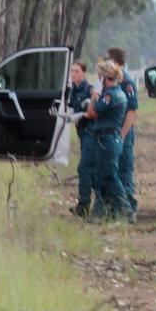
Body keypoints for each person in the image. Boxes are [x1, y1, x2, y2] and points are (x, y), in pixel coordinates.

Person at [83, 59, 130, 220]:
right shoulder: (118, 93)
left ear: (104, 77)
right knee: (103, 176)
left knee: (109, 176)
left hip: (106, 139)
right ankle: (107, 212)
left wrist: (94, 97)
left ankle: (126, 210)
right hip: (109, 139)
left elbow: (92, 113)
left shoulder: (109, 96)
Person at [105, 47, 139, 219]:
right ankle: (115, 209)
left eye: (108, 60)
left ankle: (129, 210)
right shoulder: (110, 81)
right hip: (111, 133)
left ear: (117, 62)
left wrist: (122, 136)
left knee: (124, 171)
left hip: (123, 132)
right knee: (112, 172)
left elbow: (132, 112)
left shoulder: (126, 82)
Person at [66, 61, 97, 218]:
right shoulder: (74, 90)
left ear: (84, 72)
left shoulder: (88, 89)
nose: (73, 74)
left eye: (77, 71)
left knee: (85, 168)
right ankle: (87, 204)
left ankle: (84, 205)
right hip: (82, 133)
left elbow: (95, 102)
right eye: (71, 71)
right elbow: (71, 107)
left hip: (91, 132)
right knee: (88, 168)